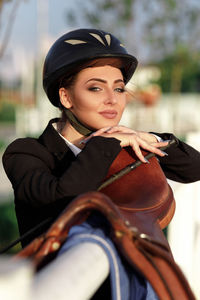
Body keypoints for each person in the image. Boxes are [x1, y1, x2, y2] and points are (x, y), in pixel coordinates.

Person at [2, 28, 200, 299]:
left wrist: (147, 137)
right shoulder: (26, 153)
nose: (112, 99)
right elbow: (63, 197)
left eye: (119, 88)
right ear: (66, 97)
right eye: (95, 88)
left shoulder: (125, 145)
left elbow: (193, 168)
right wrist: (107, 143)